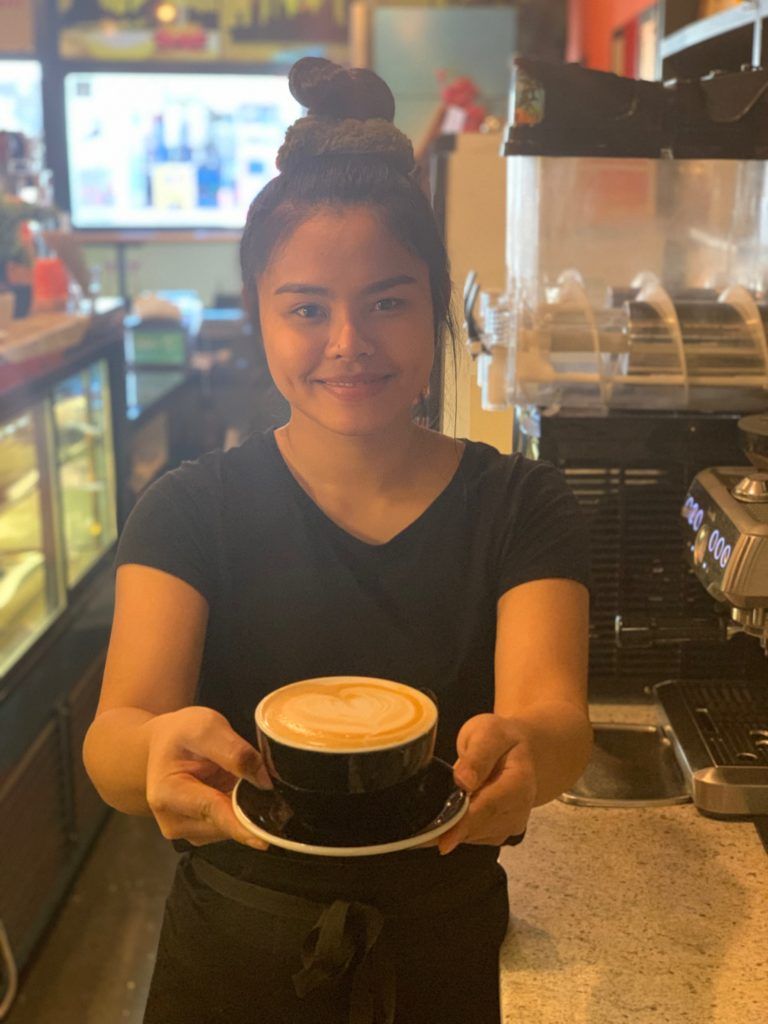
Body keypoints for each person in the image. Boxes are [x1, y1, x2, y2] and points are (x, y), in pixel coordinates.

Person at [83, 57, 592, 1024]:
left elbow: (557, 721)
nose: (348, 340)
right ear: (260, 317)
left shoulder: (524, 503)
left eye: (389, 301)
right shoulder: (191, 509)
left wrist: (524, 748)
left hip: (446, 940)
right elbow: (115, 740)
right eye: (307, 307)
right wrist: (154, 749)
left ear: (437, 306)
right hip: (232, 946)